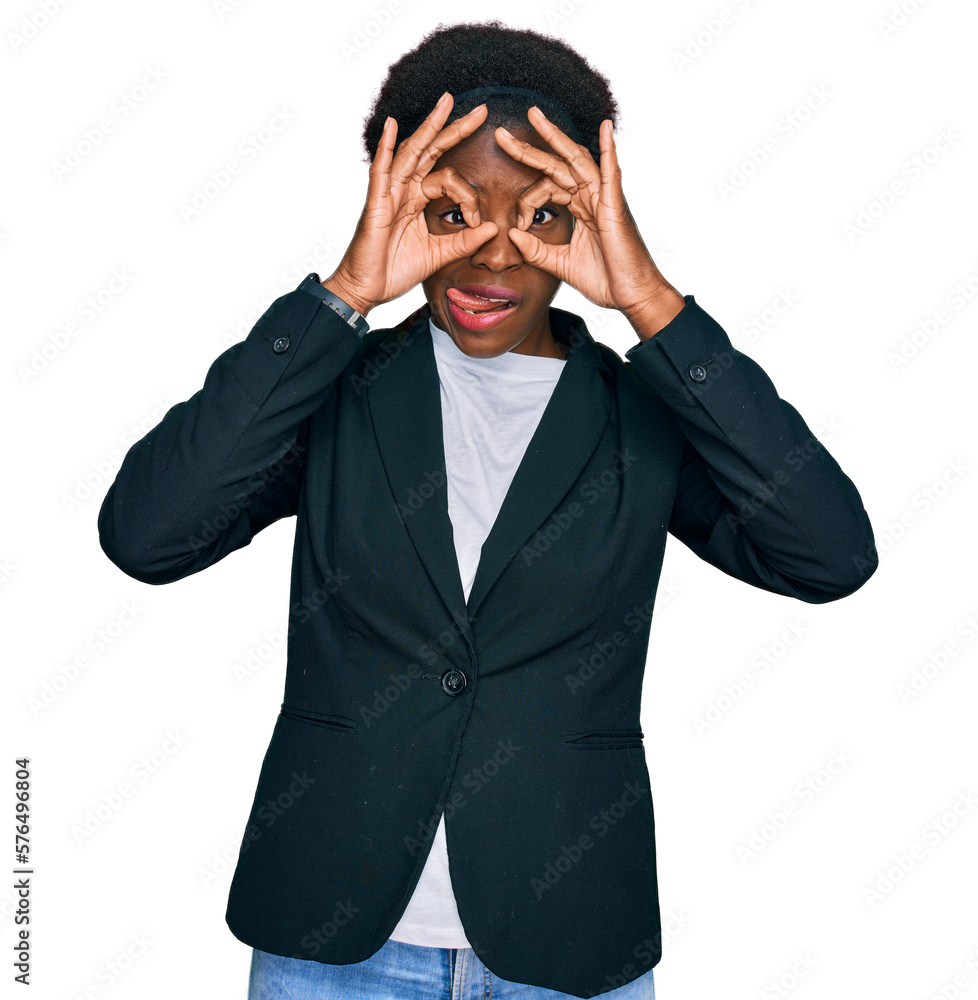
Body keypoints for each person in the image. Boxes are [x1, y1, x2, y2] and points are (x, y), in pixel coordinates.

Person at [97, 20, 878, 1000]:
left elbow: (832, 553)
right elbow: (145, 534)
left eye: (542, 216)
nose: (492, 255)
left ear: (594, 214)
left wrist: (652, 304)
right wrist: (342, 296)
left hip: (567, 940)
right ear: (394, 203)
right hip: (338, 948)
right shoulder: (336, 392)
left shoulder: (645, 413)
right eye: (449, 210)